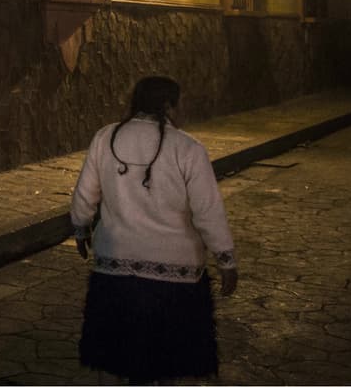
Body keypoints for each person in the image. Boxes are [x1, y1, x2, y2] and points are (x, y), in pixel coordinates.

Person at [70, 76, 238, 385]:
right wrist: (225, 260)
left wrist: (80, 230)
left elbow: (85, 195)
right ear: (168, 106)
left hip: (114, 272)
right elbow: (208, 211)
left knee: (115, 359)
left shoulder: (105, 138)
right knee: (170, 364)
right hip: (176, 282)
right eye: (179, 103)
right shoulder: (188, 149)